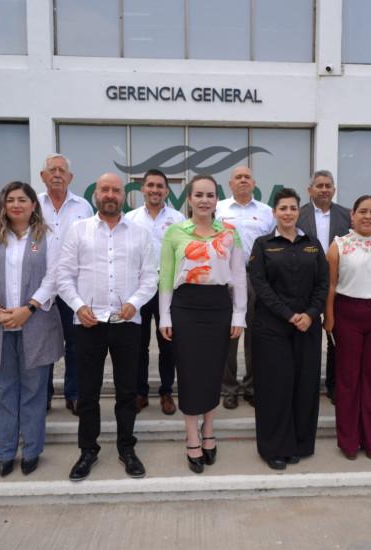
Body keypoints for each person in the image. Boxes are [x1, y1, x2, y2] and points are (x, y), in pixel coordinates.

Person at [57, 172, 157, 481]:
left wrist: (135, 302)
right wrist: (78, 306)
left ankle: (127, 448)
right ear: (95, 194)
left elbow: (150, 277)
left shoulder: (139, 233)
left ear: (124, 196)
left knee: (127, 391)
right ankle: (88, 450)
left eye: (116, 190)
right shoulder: (78, 230)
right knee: (88, 393)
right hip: (89, 323)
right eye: (105, 189)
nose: (110, 195)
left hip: (127, 322)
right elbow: (64, 275)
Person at [0, 182, 63, 477]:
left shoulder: (46, 237)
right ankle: (5, 452)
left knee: (34, 390)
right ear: (3, 205)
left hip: (36, 323)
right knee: (3, 391)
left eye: (22, 199)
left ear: (34, 205)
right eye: (10, 200)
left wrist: (27, 309)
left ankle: (32, 450)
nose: (16, 205)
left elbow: (54, 278)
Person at [159, 175, 247, 474]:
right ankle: (192, 436)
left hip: (219, 306)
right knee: (189, 372)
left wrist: (239, 315)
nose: (204, 200)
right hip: (185, 307)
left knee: (213, 371)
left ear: (216, 199)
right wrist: (165, 316)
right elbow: (166, 277)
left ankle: (208, 429)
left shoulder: (230, 233)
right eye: (199, 195)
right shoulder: (175, 232)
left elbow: (239, 276)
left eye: (210, 195)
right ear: (189, 198)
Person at [250, 188, 328, 470]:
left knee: (305, 386)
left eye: (293, 208)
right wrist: (289, 314)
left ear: (299, 211)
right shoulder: (263, 244)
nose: (288, 213)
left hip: (307, 327)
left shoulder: (313, 244)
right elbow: (260, 285)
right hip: (272, 328)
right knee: (275, 387)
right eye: (282, 208)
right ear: (274, 213)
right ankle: (274, 448)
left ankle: (299, 444)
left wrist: (310, 314)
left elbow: (323, 284)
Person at [324, 195, 371, 460]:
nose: (368, 216)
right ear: (352, 215)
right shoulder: (339, 245)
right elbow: (331, 285)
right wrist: (329, 317)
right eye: (363, 211)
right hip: (347, 314)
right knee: (348, 379)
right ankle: (348, 441)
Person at [38, 154, 94, 414]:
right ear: (43, 176)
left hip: (74, 286)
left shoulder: (83, 206)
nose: (57, 174)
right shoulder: (33, 205)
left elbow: (92, 244)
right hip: (41, 287)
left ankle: (74, 394)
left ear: (70, 177)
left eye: (62, 171)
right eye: (52, 170)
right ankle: (43, 395)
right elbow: (27, 242)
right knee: (43, 343)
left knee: (76, 344)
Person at [125, 169, 185, 416]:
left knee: (168, 343)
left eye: (160, 186)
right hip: (139, 288)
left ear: (167, 191)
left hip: (167, 287)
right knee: (138, 345)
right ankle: (140, 391)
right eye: (150, 185)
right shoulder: (130, 218)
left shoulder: (178, 218)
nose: (155, 190)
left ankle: (166, 391)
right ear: (142, 189)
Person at [215, 166, 275, 409]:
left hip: (256, 277)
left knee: (255, 336)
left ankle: (251, 386)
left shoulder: (266, 212)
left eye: (247, 177)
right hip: (226, 277)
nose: (242, 180)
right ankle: (229, 388)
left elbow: (273, 245)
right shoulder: (218, 209)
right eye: (238, 177)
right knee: (227, 335)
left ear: (254, 183)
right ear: (230, 184)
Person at [298, 170, 351, 404]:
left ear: (334, 190)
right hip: (303, 284)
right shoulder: (298, 215)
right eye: (319, 185)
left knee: (336, 335)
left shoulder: (347, 215)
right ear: (309, 190)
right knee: (306, 336)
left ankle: (334, 386)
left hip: (338, 282)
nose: (324, 189)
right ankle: (306, 384)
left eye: (328, 185)